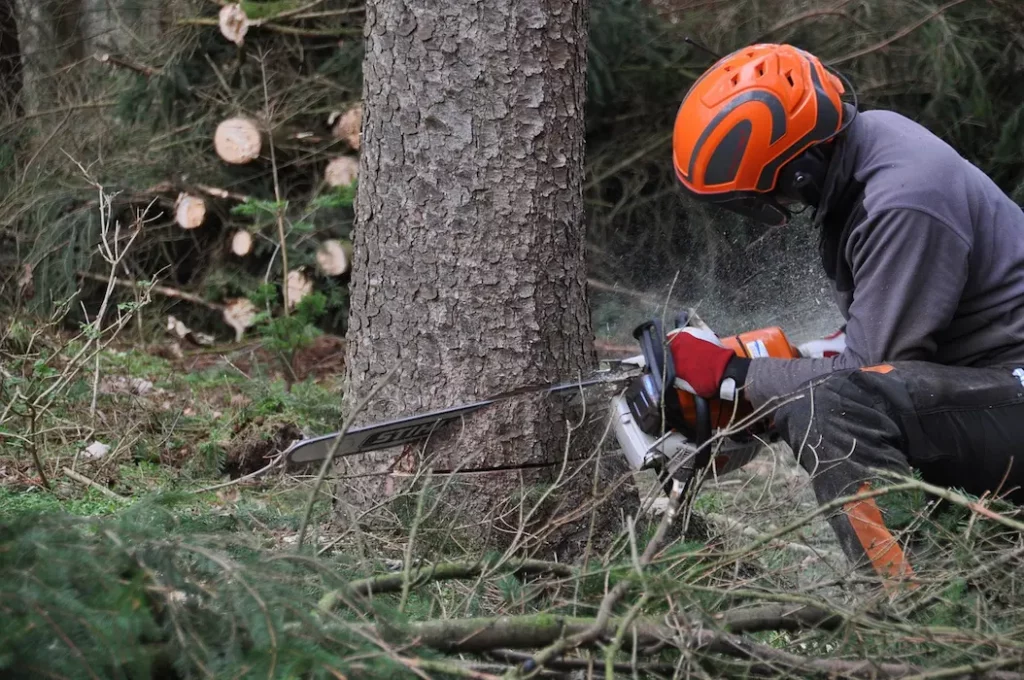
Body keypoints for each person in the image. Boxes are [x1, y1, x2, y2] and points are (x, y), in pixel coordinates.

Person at [666, 42, 1024, 582]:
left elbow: (869, 375)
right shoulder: (867, 150)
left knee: (832, 410)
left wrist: (735, 376)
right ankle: (971, 582)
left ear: (800, 170)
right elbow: (879, 336)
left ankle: (911, 615)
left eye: (766, 193)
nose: (773, 206)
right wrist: (765, 365)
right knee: (827, 393)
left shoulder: (902, 200)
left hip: (1011, 385)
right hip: (991, 383)